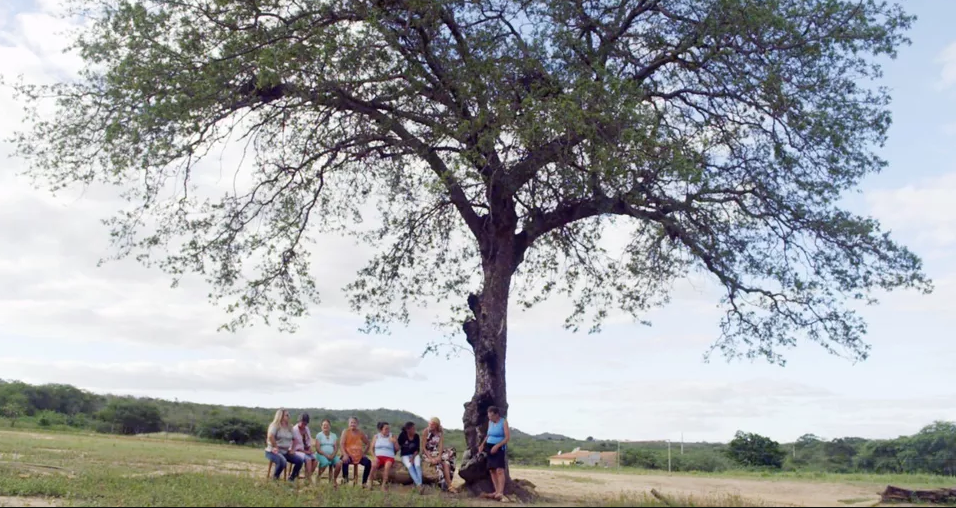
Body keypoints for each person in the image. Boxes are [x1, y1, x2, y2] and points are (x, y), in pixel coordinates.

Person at [265, 409, 305, 481]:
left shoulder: (290, 427)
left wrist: (293, 449)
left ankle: (291, 478)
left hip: (285, 451)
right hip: (272, 451)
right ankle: (275, 479)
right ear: (281, 416)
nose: (289, 416)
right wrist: (275, 446)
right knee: (282, 461)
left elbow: (295, 439)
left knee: (300, 460)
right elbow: (270, 436)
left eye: (289, 415)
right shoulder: (275, 425)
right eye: (287, 415)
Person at [480, 406, 511, 500]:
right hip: (489, 447)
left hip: (499, 448)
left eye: (492, 416)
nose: (490, 418)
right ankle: (496, 491)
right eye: (489, 416)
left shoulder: (503, 422)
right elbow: (488, 434)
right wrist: (482, 444)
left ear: (496, 414)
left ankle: (501, 491)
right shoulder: (490, 422)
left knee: (499, 470)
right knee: (492, 470)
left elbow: (507, 438)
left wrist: (497, 446)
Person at [423, 417, 455, 492]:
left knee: (446, 463)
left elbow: (441, 446)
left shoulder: (440, 433)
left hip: (436, 452)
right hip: (428, 452)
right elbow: (424, 448)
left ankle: (450, 485)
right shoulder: (426, 431)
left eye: (433, 424)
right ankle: (445, 484)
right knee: (438, 464)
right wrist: (431, 458)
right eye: (430, 423)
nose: (431, 425)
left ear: (437, 425)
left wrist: (439, 456)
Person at [339, 417, 372, 487]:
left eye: (354, 423)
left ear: (357, 424)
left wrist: (364, 453)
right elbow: (341, 444)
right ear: (348, 424)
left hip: (358, 455)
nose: (353, 424)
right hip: (348, 454)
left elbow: (368, 443)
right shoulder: (345, 432)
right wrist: (345, 454)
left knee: (368, 463)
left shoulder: (360, 432)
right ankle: (345, 481)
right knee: (345, 461)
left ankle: (364, 483)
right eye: (351, 422)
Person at [369, 422, 399, 492]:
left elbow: (397, 449)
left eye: (388, 428)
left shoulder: (392, 436)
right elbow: (371, 448)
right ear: (381, 430)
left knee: (387, 467)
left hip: (389, 456)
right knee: (373, 465)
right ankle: (370, 482)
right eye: (386, 429)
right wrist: (374, 457)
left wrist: (395, 442)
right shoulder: (376, 436)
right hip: (378, 456)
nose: (388, 430)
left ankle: (383, 485)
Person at [314, 419, 342, 487]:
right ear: (321, 426)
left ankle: (334, 480)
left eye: (327, 425)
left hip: (332, 455)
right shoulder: (319, 435)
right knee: (325, 462)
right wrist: (326, 455)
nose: (325, 426)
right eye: (324, 425)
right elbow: (318, 448)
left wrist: (332, 455)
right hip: (321, 454)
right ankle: (318, 476)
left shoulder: (334, 435)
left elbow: (336, 447)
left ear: (330, 426)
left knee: (339, 463)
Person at [398, 421, 424, 494]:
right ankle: (419, 485)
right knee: (410, 467)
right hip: (405, 455)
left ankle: (419, 485)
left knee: (417, 466)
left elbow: (417, 449)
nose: (414, 430)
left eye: (414, 429)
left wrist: (412, 458)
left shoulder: (416, 436)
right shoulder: (402, 435)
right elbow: (398, 445)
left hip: (415, 454)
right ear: (408, 429)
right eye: (413, 429)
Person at [291, 412, 316, 481]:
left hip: (306, 450)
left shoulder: (307, 429)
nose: (303, 425)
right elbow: (294, 446)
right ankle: (309, 479)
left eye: (305, 424)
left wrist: (310, 449)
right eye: (302, 423)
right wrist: (305, 452)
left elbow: (308, 441)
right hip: (297, 451)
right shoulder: (294, 430)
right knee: (308, 459)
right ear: (299, 421)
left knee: (316, 460)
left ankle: (307, 476)